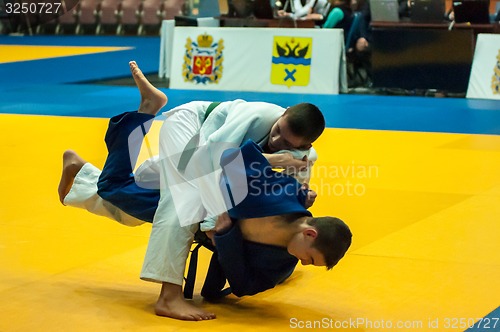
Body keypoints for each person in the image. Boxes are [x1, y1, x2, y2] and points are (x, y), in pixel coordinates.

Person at [59, 61, 344, 321]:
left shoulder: (305, 154)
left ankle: (92, 166)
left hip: (204, 157)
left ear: (304, 146)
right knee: (183, 201)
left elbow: (298, 185)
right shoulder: (255, 116)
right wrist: (212, 224)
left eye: (287, 141)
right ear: (282, 114)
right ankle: (168, 296)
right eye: (279, 129)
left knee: (124, 200)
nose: (276, 138)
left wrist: (302, 195)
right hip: (193, 128)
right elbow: (212, 161)